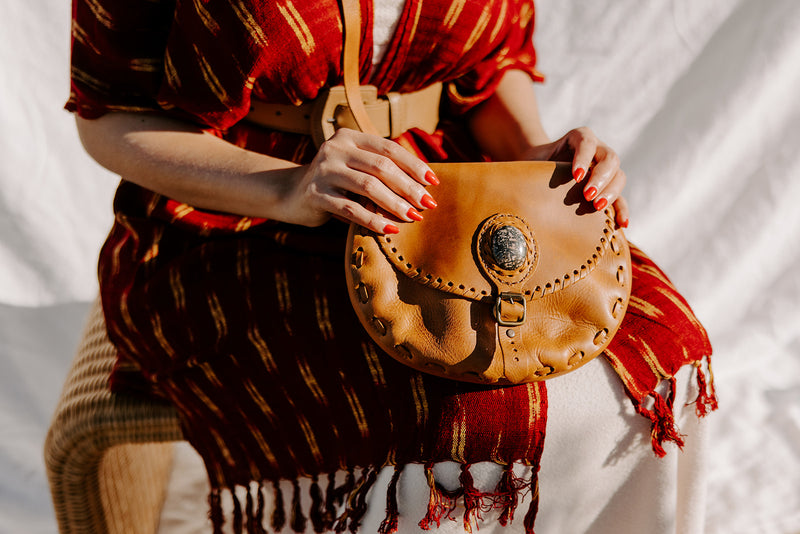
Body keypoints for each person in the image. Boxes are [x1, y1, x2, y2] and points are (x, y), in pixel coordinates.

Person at [67, 0, 716, 532]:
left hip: (442, 178)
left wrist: (534, 153)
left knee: (661, 350)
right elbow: (109, 115)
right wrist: (285, 187)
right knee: (417, 407)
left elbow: (490, 64)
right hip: (233, 202)